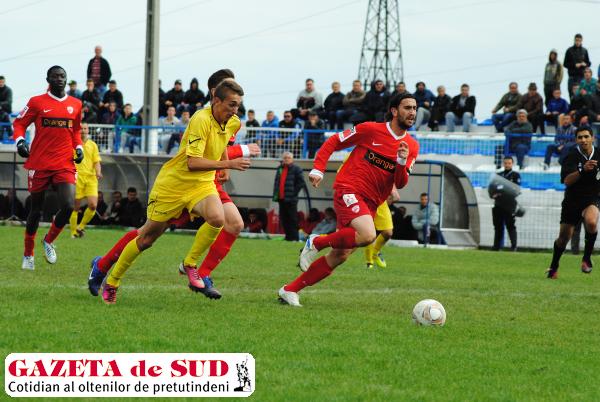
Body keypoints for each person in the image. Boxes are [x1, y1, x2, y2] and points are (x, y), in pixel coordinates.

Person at [87, 79, 250, 304]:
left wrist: (224, 164)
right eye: (232, 104)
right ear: (215, 98)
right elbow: (193, 162)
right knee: (146, 238)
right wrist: (229, 163)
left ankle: (191, 265)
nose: (235, 110)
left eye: (238, 105)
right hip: (174, 186)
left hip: (202, 183)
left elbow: (222, 143)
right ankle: (112, 279)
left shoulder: (233, 122)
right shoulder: (200, 119)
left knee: (218, 218)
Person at [278, 93, 419, 307]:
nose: (412, 112)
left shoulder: (412, 147)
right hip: (349, 189)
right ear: (394, 111)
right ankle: (316, 241)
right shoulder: (370, 129)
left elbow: (400, 183)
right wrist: (318, 168)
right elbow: (334, 141)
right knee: (368, 234)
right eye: (407, 107)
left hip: (372, 203)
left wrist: (401, 161)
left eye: (414, 108)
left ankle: (290, 290)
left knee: (340, 255)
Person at [12, 65, 84, 270]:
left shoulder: (76, 104)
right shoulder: (37, 102)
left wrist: (79, 147)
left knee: (69, 205)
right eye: (55, 76)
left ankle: (49, 240)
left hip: (64, 163)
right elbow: (19, 124)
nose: (59, 79)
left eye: (62, 76)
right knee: (36, 210)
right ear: (48, 80)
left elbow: (76, 131)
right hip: (40, 162)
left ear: (66, 79)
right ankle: (28, 254)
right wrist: (20, 141)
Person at [547, 126, 599, 279]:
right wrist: (583, 170)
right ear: (576, 140)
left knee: (591, 222)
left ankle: (586, 258)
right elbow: (566, 181)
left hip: (592, 198)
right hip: (572, 200)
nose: (583, 140)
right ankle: (554, 266)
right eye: (580, 137)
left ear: (593, 138)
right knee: (564, 238)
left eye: (586, 136)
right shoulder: (570, 156)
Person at [69, 122, 102, 238]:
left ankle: (81, 227)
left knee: (93, 205)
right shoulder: (73, 144)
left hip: (91, 178)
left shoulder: (93, 145)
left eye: (85, 128)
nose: (83, 130)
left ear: (88, 130)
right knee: (75, 207)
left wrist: (98, 172)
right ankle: (73, 232)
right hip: (77, 177)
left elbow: (96, 161)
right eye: (81, 129)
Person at [273, 152, 306, 241]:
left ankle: (294, 237)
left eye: (288, 158)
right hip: (281, 198)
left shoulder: (297, 169)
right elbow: (277, 182)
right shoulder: (280, 168)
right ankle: (288, 237)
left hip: (291, 199)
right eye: (285, 158)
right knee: (284, 218)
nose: (286, 159)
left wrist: (294, 193)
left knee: (292, 218)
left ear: (292, 159)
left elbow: (301, 182)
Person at [365, 189, 399, 269]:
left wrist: (393, 190)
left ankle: (375, 253)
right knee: (368, 233)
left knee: (388, 232)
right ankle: (369, 262)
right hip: (365, 199)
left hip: (380, 201)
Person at [491, 157, 521, 251]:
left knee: (510, 225)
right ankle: (496, 247)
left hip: (509, 205)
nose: (507, 165)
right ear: (503, 164)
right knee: (498, 227)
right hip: (498, 204)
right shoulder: (498, 175)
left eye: (509, 163)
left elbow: (516, 190)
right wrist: (494, 194)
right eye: (505, 163)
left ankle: (514, 246)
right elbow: (492, 188)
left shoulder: (515, 175)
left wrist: (503, 191)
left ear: (512, 164)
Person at [564, 34, 591, 99]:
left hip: (581, 77)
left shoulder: (584, 51)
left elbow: (589, 63)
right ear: (574, 40)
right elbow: (565, 64)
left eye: (579, 40)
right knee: (572, 95)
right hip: (572, 77)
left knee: (582, 95)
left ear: (581, 41)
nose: (578, 42)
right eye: (576, 40)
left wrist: (585, 64)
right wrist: (574, 65)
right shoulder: (569, 50)